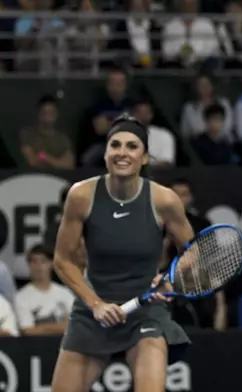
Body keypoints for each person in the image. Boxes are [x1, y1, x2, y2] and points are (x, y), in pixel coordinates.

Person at [51, 113, 195, 392]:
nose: (122, 153)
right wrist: (96, 305)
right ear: (105, 154)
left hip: (145, 310)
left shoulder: (164, 200)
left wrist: (169, 279)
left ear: (144, 158)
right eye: (115, 145)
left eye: (132, 146)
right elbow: (62, 260)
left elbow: (195, 253)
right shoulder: (80, 196)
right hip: (93, 310)